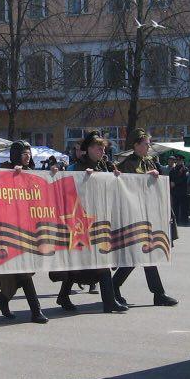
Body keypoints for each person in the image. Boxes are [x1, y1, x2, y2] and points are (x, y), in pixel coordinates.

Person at [55, 132, 124, 314]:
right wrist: (82, 179)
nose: (101, 150)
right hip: (80, 221)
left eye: (103, 147)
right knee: (82, 265)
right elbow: (63, 187)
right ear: (87, 149)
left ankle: (66, 296)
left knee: (96, 262)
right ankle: (109, 302)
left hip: (101, 219)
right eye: (97, 147)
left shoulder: (106, 166)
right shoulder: (76, 167)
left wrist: (117, 178)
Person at [112, 128, 178, 307]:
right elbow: (125, 185)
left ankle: (115, 286)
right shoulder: (127, 163)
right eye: (145, 144)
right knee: (142, 254)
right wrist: (145, 177)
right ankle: (157, 293)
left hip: (149, 212)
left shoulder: (150, 161)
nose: (149, 147)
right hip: (133, 214)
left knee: (143, 254)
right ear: (136, 145)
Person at [0, 141, 48, 323]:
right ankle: (36, 311)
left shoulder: (30, 172)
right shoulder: (4, 172)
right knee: (22, 272)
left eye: (29, 153)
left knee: (24, 272)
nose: (28, 156)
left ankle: (2, 300)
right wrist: (12, 177)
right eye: (24, 153)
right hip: (10, 229)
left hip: (28, 228)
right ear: (15, 155)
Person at [169, 158, 190, 227]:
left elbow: (184, 178)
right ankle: (176, 221)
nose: (178, 162)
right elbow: (170, 176)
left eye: (180, 160)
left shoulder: (185, 169)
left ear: (182, 161)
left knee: (184, 207)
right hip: (175, 191)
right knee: (175, 206)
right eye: (177, 160)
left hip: (183, 190)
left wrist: (175, 183)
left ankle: (184, 220)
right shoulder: (173, 169)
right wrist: (171, 182)